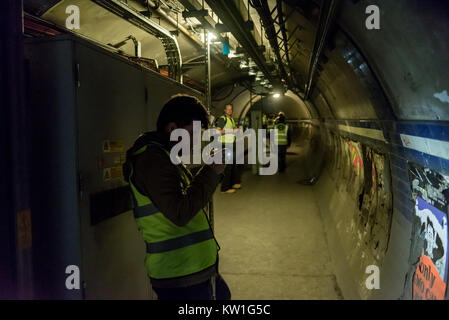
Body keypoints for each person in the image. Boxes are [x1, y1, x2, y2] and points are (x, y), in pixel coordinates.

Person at [123, 94, 231, 300]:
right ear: (172, 128)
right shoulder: (152, 160)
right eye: (193, 134)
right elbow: (180, 212)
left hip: (192, 270)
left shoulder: (165, 157)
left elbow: (182, 197)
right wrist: (211, 172)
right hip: (180, 274)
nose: (196, 141)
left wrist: (209, 169)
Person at [215, 104, 242, 194]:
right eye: (228, 109)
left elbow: (233, 128)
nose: (230, 111)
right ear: (224, 110)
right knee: (228, 167)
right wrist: (231, 131)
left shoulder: (231, 119)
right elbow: (218, 131)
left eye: (231, 109)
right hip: (224, 145)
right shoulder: (223, 119)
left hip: (231, 144)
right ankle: (225, 188)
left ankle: (233, 183)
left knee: (234, 165)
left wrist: (237, 129)